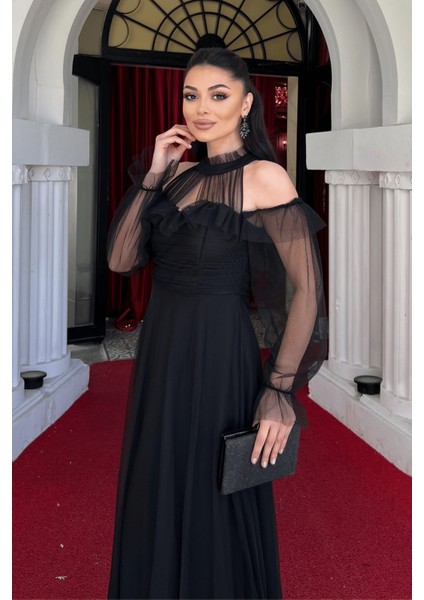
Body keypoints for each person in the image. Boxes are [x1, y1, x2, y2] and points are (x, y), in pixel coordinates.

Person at [107, 46, 327, 600]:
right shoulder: (175, 176)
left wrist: (279, 389)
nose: (201, 108)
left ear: (246, 104)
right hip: (161, 349)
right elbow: (121, 259)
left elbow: (306, 290)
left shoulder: (265, 177)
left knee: (213, 486)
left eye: (218, 95)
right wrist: (154, 173)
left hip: (218, 350)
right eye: (191, 95)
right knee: (158, 475)